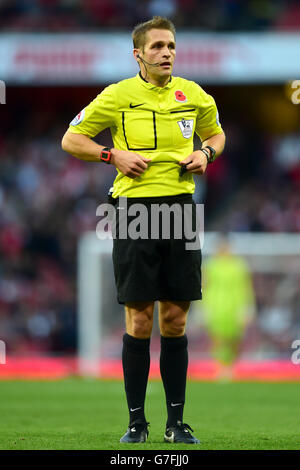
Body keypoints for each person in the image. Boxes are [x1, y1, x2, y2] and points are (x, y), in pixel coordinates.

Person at [62, 16, 225, 444]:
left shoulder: (193, 93)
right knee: (139, 317)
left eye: (170, 45)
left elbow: (217, 134)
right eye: (156, 47)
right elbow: (71, 138)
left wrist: (206, 151)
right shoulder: (117, 95)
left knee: (175, 317)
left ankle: (176, 423)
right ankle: (136, 423)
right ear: (138, 54)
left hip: (181, 210)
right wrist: (110, 154)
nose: (166, 52)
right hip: (133, 211)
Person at [198, 235, 256, 380]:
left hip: (235, 307)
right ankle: (221, 368)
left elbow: (245, 288)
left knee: (234, 339)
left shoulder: (239, 266)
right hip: (215, 306)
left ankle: (230, 366)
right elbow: (203, 286)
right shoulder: (210, 265)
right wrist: (201, 307)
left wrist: (248, 308)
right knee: (217, 338)